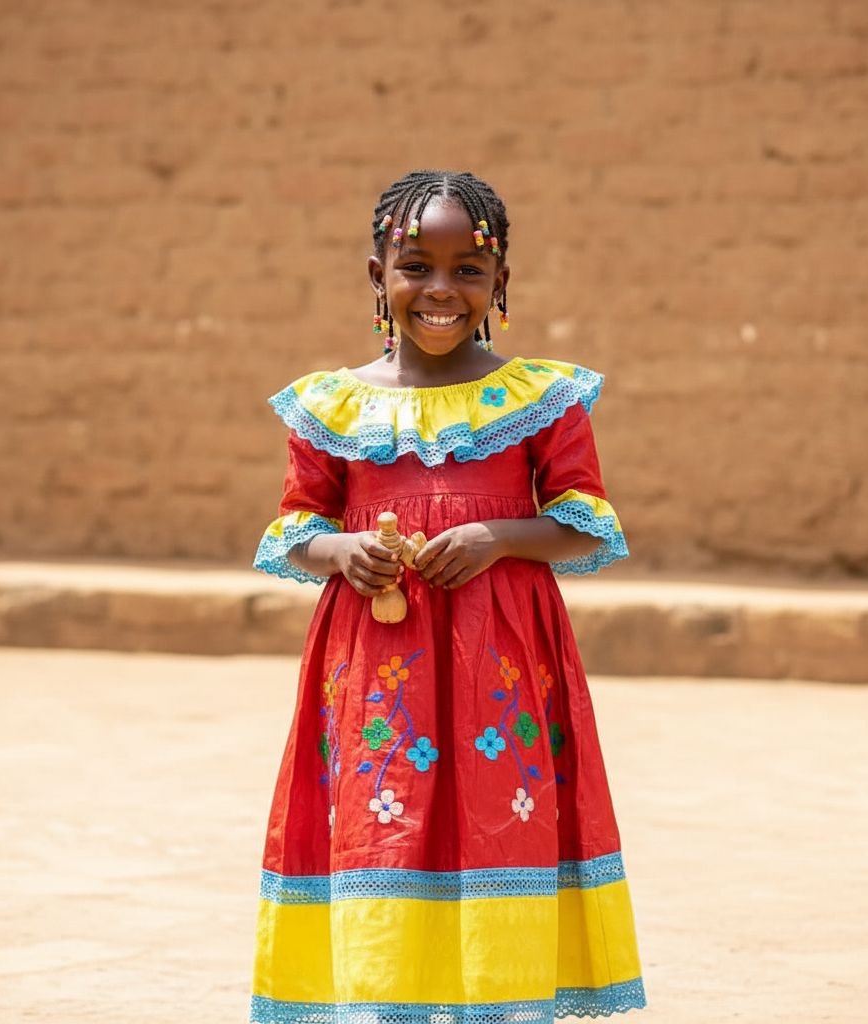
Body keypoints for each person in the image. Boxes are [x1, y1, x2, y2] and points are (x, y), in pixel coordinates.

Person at [249, 170, 646, 1023]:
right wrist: (343, 550)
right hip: (377, 672)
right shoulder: (331, 406)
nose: (441, 289)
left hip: (500, 669)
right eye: (414, 266)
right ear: (376, 277)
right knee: (381, 816)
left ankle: (500, 998)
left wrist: (499, 536)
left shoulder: (539, 400)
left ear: (499, 284)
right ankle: (382, 999)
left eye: (469, 269)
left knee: (499, 815)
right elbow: (292, 530)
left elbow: (586, 523)